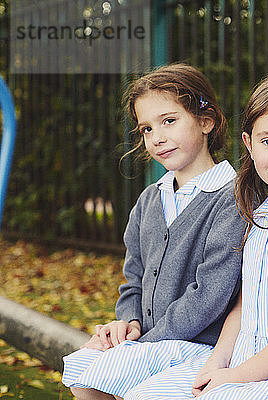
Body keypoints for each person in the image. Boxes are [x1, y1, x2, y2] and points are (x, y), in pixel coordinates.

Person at [121, 72, 268, 400]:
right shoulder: (261, 212)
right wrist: (217, 363)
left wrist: (236, 375)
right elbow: (244, 304)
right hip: (242, 360)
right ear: (249, 144)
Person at [62, 63, 246, 400]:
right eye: (146, 128)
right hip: (149, 342)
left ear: (206, 121)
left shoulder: (231, 199)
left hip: (200, 349)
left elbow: (209, 296)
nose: (157, 138)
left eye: (169, 121)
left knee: (117, 380)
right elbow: (133, 280)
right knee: (82, 375)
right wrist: (129, 324)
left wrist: (142, 345)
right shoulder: (149, 200)